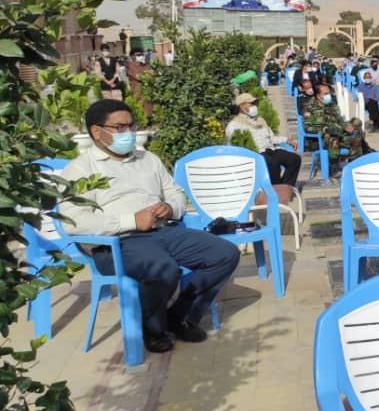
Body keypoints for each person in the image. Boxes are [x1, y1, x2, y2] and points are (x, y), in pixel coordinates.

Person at [59, 100, 241, 353]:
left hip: (162, 231)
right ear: (96, 132)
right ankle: (153, 328)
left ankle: (179, 314)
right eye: (119, 127)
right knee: (162, 268)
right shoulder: (80, 169)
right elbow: (74, 221)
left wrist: (170, 207)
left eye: (131, 126)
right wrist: (131, 221)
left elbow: (175, 193)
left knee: (224, 253)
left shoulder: (148, 159)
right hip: (116, 244)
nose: (128, 132)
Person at [225, 93, 301, 187]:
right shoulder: (234, 124)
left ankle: (285, 187)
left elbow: (272, 138)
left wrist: (287, 140)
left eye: (255, 103)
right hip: (255, 153)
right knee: (272, 163)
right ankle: (273, 189)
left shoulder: (260, 120)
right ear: (242, 106)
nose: (254, 106)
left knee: (294, 159)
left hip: (271, 150)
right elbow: (232, 145)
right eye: (251, 103)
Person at [303, 83, 367, 168]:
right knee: (348, 139)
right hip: (323, 138)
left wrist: (345, 126)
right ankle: (335, 164)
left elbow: (339, 119)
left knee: (356, 127)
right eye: (325, 94)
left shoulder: (330, 104)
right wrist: (325, 130)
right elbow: (308, 128)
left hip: (338, 132)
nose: (328, 95)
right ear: (318, 96)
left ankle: (354, 164)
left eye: (329, 93)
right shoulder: (310, 107)